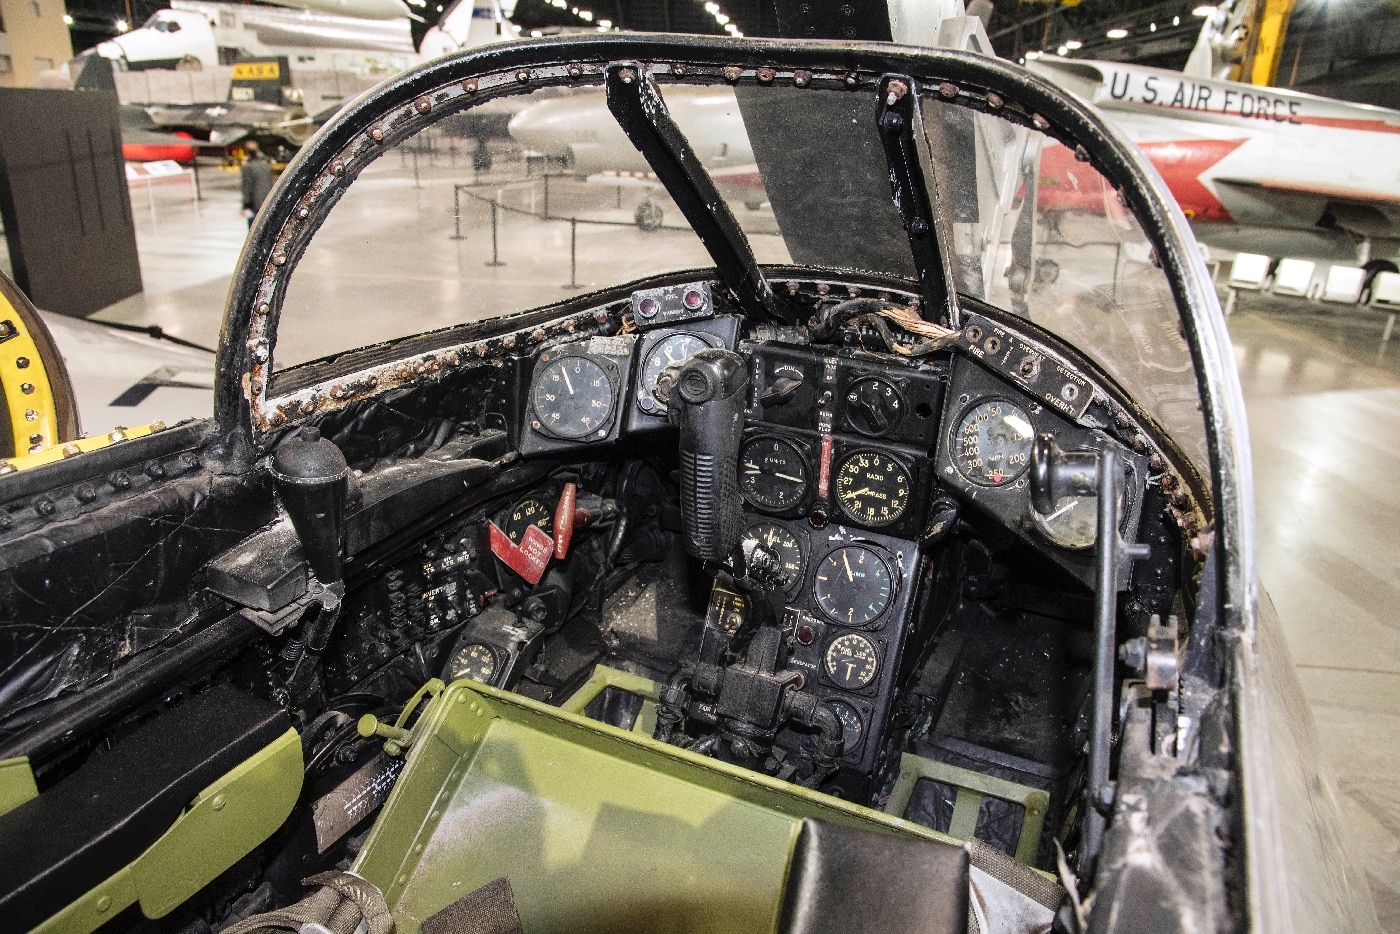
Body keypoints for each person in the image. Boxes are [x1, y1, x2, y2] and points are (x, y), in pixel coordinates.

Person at [240, 140, 274, 228]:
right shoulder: (266, 165)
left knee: (254, 229)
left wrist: (245, 205)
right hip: (267, 201)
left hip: (254, 203)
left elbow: (247, 187)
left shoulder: (248, 166)